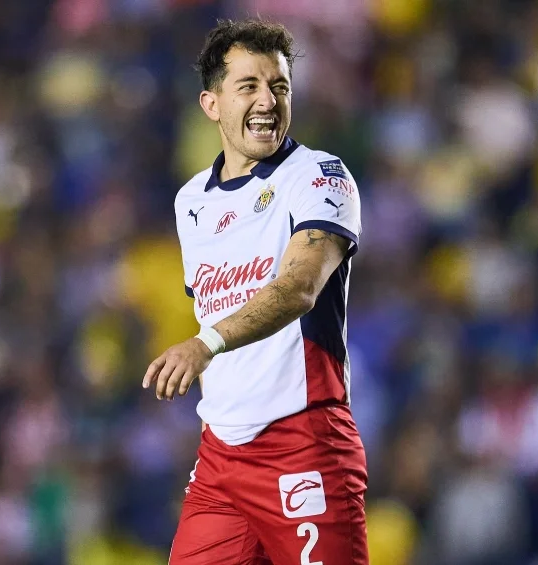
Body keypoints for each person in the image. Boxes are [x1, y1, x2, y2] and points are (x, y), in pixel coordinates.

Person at [141, 18, 369, 565]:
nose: (268, 100)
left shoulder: (318, 176)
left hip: (303, 441)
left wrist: (205, 345)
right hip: (221, 457)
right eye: (249, 86)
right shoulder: (191, 202)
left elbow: (298, 289)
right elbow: (215, 306)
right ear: (212, 103)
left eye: (279, 86)